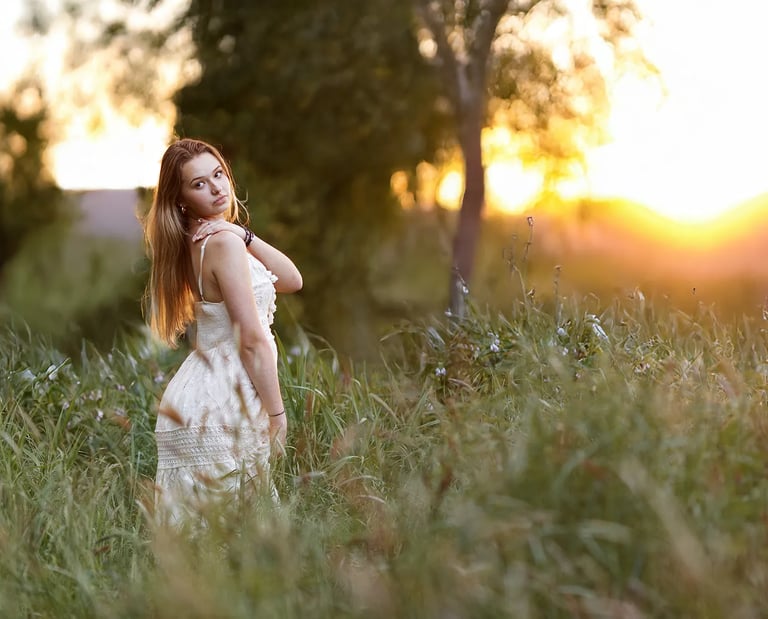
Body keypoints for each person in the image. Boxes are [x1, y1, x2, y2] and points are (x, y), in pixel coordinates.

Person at [143, 138, 302, 525]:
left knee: (204, 543)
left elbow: (292, 279)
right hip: (224, 402)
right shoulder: (220, 246)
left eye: (218, 175)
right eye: (199, 183)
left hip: (194, 397)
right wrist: (278, 414)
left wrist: (241, 233)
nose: (216, 188)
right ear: (181, 199)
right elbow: (250, 339)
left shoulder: (207, 241)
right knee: (243, 539)